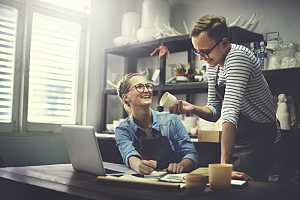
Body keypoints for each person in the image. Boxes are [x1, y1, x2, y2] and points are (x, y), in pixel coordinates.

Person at [169, 15, 276, 181]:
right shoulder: (214, 64)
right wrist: (193, 108)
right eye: (197, 51)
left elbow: (230, 111)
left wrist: (224, 168)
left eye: (204, 52)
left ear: (224, 43)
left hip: (261, 136)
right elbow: (214, 111)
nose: (201, 58)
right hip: (238, 134)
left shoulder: (238, 57)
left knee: (246, 189)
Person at [115, 73, 199, 175]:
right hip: (143, 183)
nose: (147, 90)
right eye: (140, 87)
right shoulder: (123, 129)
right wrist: (138, 165)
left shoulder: (171, 121)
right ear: (126, 98)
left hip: (172, 182)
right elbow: (128, 154)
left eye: (148, 86)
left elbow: (191, 154)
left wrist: (181, 165)